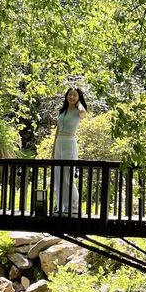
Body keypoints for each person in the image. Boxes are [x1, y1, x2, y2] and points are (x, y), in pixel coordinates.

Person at [52, 86, 87, 216]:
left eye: (74, 95)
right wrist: (53, 150)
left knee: (67, 176)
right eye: (70, 95)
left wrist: (78, 103)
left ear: (78, 98)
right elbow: (57, 131)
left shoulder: (79, 111)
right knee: (58, 175)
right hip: (59, 143)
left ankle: (73, 205)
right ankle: (59, 205)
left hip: (69, 144)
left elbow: (83, 112)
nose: (71, 97)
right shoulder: (63, 111)